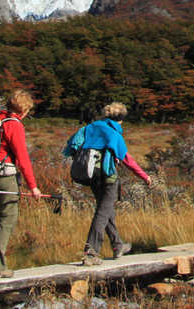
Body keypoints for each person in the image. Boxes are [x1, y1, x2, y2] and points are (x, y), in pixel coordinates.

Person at [63, 102, 152, 266]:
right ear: (121, 119)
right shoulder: (114, 133)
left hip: (91, 175)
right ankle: (91, 252)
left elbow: (71, 146)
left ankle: (118, 245)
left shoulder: (89, 128)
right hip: (108, 177)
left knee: (106, 209)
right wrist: (144, 176)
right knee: (103, 212)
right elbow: (127, 159)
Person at [0, 89, 44, 279]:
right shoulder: (13, 125)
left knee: (0, 215)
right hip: (4, 175)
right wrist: (33, 186)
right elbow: (23, 159)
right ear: (24, 110)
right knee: (8, 217)